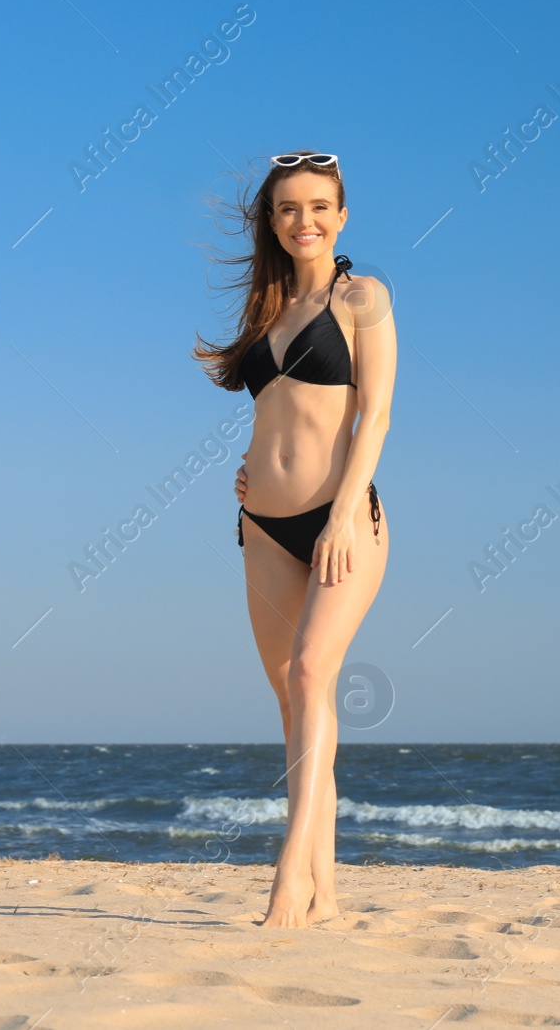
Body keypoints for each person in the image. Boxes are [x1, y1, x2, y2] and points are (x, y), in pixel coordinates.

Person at [193, 150, 396, 927]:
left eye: (317, 206)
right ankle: (328, 889)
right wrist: (249, 478)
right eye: (287, 208)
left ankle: (287, 880)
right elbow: (270, 419)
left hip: (342, 519)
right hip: (263, 526)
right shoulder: (267, 314)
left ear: (341, 216)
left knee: (314, 671)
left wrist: (344, 514)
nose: (302, 220)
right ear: (271, 223)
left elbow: (373, 415)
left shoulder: (364, 298)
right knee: (294, 701)